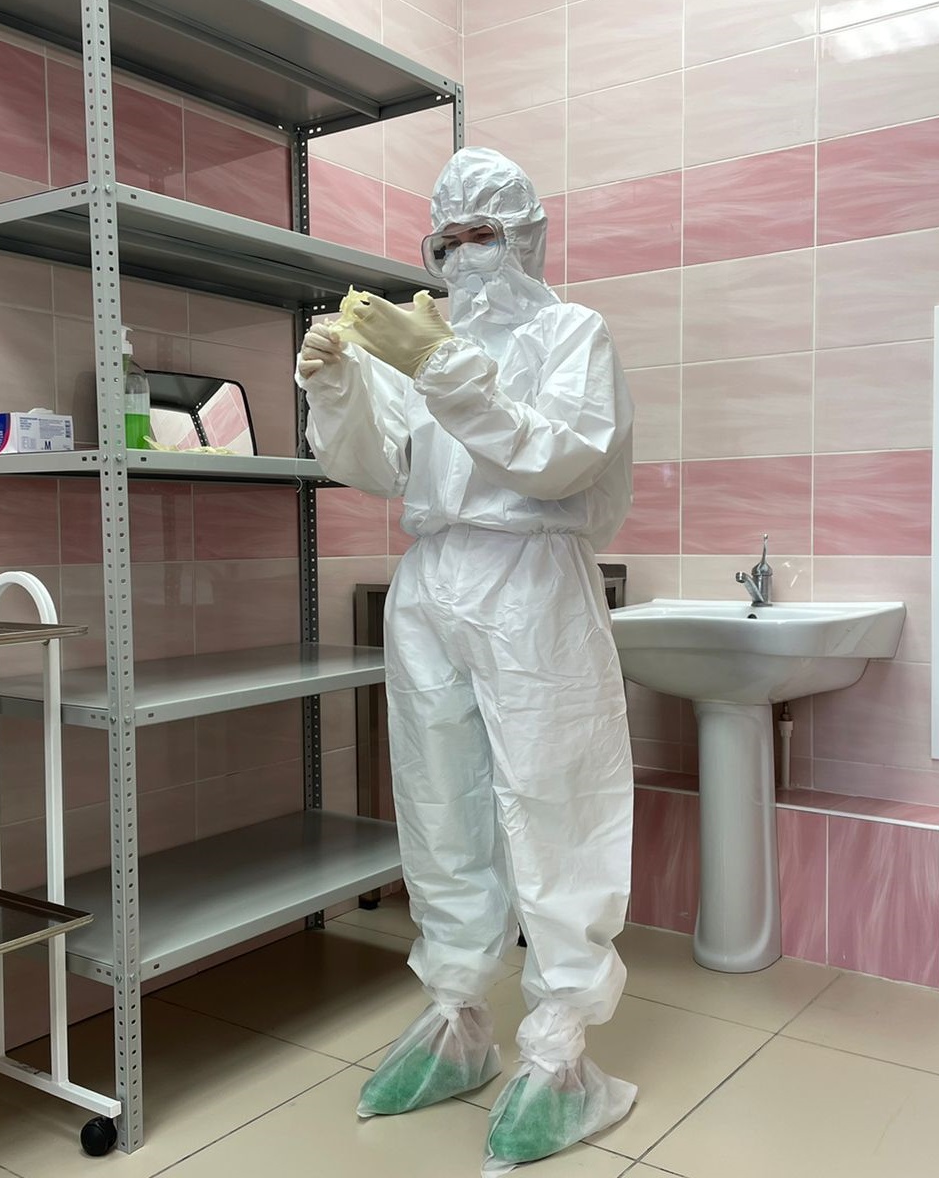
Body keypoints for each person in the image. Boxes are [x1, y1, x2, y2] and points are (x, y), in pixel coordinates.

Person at [293, 146, 638, 1172]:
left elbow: (557, 458)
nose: (463, 256)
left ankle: (562, 1047)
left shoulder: (573, 334)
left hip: (531, 576)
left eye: (482, 234)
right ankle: (456, 1017)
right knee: (438, 798)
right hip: (432, 576)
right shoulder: (425, 339)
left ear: (526, 236)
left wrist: (439, 365)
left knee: (554, 798)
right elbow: (376, 465)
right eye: (446, 240)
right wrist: (340, 385)